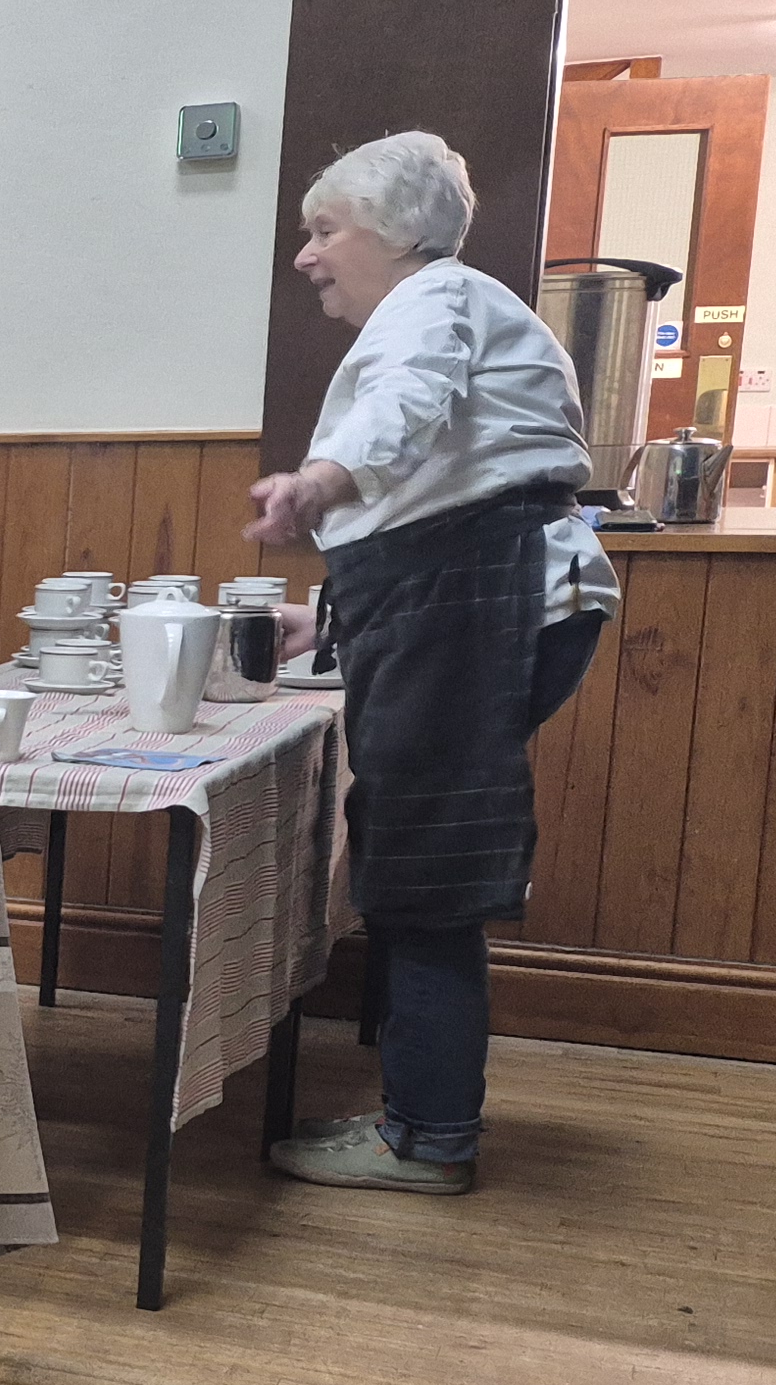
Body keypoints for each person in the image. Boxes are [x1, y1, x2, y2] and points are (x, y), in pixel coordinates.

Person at [246, 129, 616, 1196]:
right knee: (419, 860)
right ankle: (424, 1120)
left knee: (426, 869)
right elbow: (441, 498)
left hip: (483, 606)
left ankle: (427, 1138)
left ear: (398, 234)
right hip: (478, 598)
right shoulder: (451, 307)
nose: (308, 256)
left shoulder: (432, 301)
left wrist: (318, 481)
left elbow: (407, 415)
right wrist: (330, 622)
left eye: (324, 231)